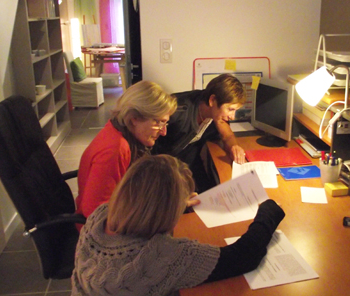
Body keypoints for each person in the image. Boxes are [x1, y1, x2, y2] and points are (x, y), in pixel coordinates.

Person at [71, 155, 285, 296]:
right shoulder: (161, 254)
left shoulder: (98, 218)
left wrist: (175, 204)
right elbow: (245, 255)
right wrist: (269, 211)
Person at [75, 81, 179, 221]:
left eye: (165, 123)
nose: (164, 132)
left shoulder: (118, 130)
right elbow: (94, 211)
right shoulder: (116, 149)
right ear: (134, 118)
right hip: (101, 231)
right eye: (158, 122)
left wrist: (175, 203)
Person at [153, 73, 247, 192]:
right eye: (230, 109)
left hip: (189, 161)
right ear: (212, 100)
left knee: (211, 193)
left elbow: (227, 134)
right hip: (163, 166)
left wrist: (234, 146)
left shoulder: (215, 113)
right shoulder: (177, 110)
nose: (232, 117)